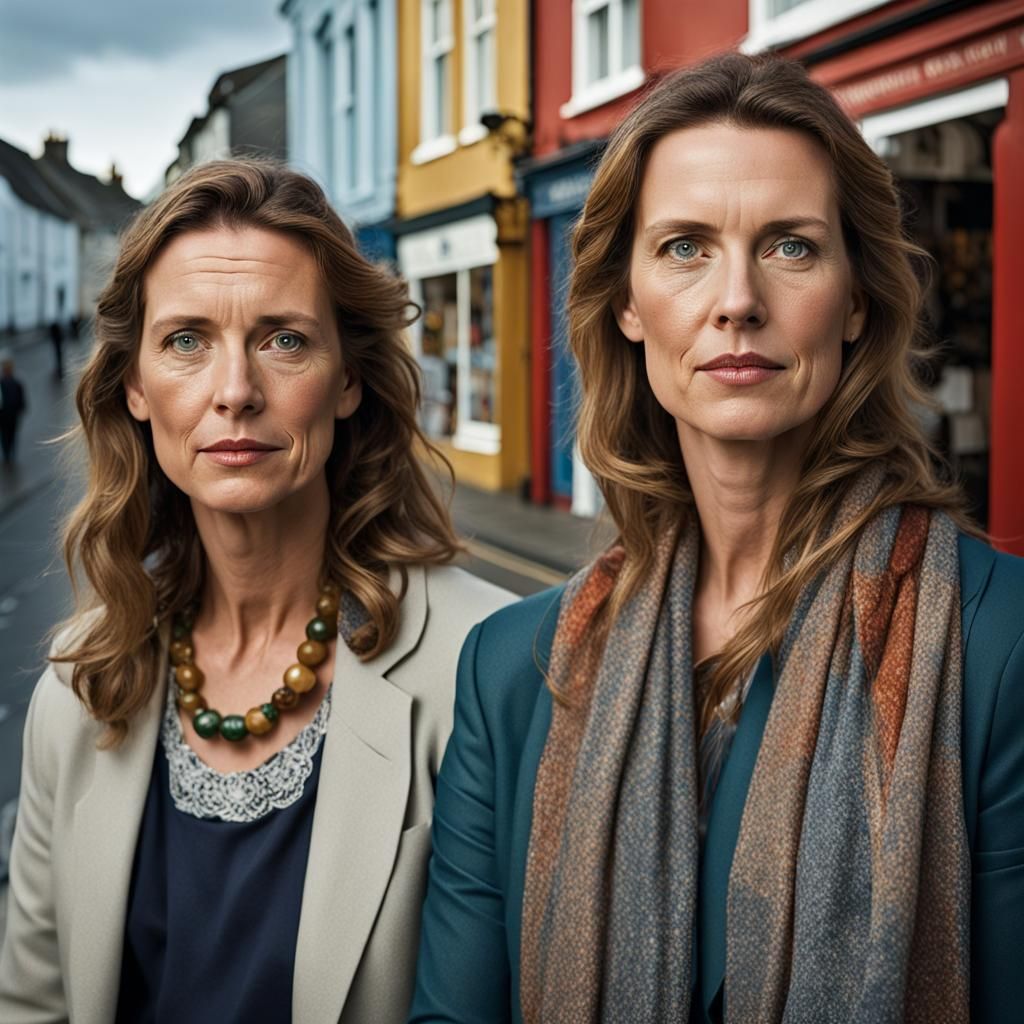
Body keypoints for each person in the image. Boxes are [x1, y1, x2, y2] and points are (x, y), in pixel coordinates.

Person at [409, 53, 1024, 1024]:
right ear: (625, 302)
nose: (736, 297)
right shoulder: (509, 673)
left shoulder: (998, 647)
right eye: (685, 246)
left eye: (789, 247)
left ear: (856, 298)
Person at [0, 159, 513, 1023]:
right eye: (186, 341)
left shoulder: (485, 669)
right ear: (133, 385)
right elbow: (34, 1002)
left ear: (348, 379)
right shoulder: (77, 687)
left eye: (284, 339)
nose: (234, 393)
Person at [0, 350, 27, 465]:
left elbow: (21, 399)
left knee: (10, 435)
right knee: (6, 435)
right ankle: (7, 454)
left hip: (11, 415)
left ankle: (9, 453)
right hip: (5, 416)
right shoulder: (5, 383)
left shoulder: (16, 382)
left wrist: (21, 408)